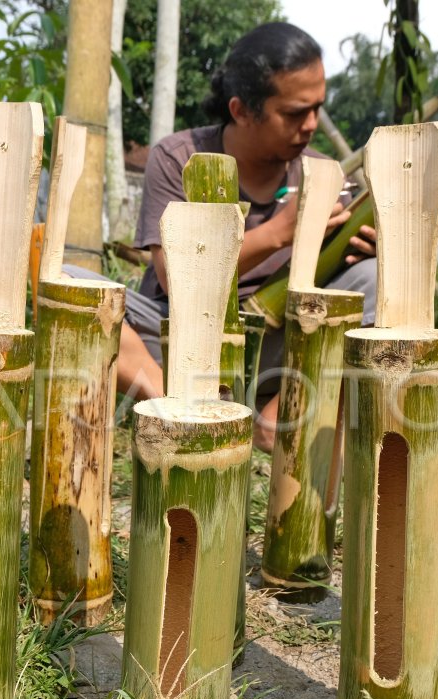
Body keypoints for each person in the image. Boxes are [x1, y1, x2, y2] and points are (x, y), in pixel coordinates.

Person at [66, 22, 378, 451]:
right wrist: (281, 232)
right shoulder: (178, 157)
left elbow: (331, 290)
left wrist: (363, 250)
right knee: (69, 283)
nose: (310, 126)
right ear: (241, 110)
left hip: (277, 343)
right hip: (176, 334)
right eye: (293, 113)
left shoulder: (322, 173)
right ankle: (180, 408)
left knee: (374, 280)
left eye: (316, 110)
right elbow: (175, 278)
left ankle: (274, 421)